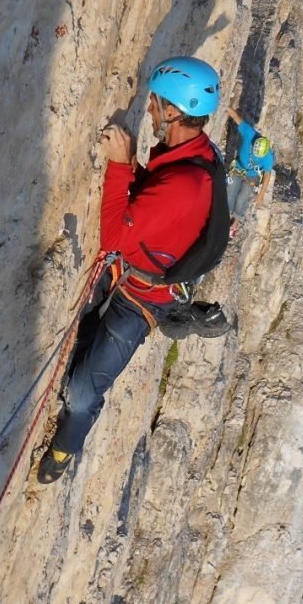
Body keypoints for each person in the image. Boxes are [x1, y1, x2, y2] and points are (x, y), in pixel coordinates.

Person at [37, 57, 222, 483]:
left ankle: (65, 449)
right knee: (79, 344)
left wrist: (121, 163)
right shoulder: (192, 155)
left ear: (173, 111)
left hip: (141, 300)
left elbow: (115, 241)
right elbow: (155, 204)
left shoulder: (185, 180)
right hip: (140, 276)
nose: (150, 107)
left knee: (81, 394)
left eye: (155, 101)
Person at [225, 97, 274, 237]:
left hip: (251, 176)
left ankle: (234, 224)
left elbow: (267, 175)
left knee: (242, 198)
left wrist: (261, 195)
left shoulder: (268, 156)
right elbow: (236, 117)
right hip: (238, 167)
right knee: (230, 191)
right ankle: (223, 218)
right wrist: (224, 106)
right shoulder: (250, 134)